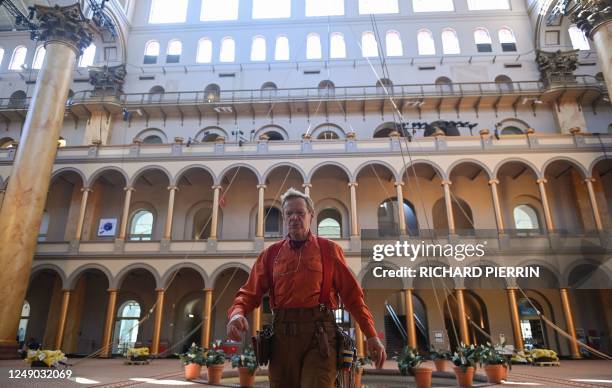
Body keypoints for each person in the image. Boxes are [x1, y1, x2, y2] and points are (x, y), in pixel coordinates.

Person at [227, 188, 386, 387]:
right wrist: (236, 314)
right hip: (281, 340)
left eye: (300, 213)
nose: (294, 217)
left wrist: (371, 336)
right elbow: (249, 292)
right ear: (284, 217)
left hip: (320, 337)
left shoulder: (329, 250)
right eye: (289, 213)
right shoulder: (271, 255)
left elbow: (353, 297)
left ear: (311, 215)